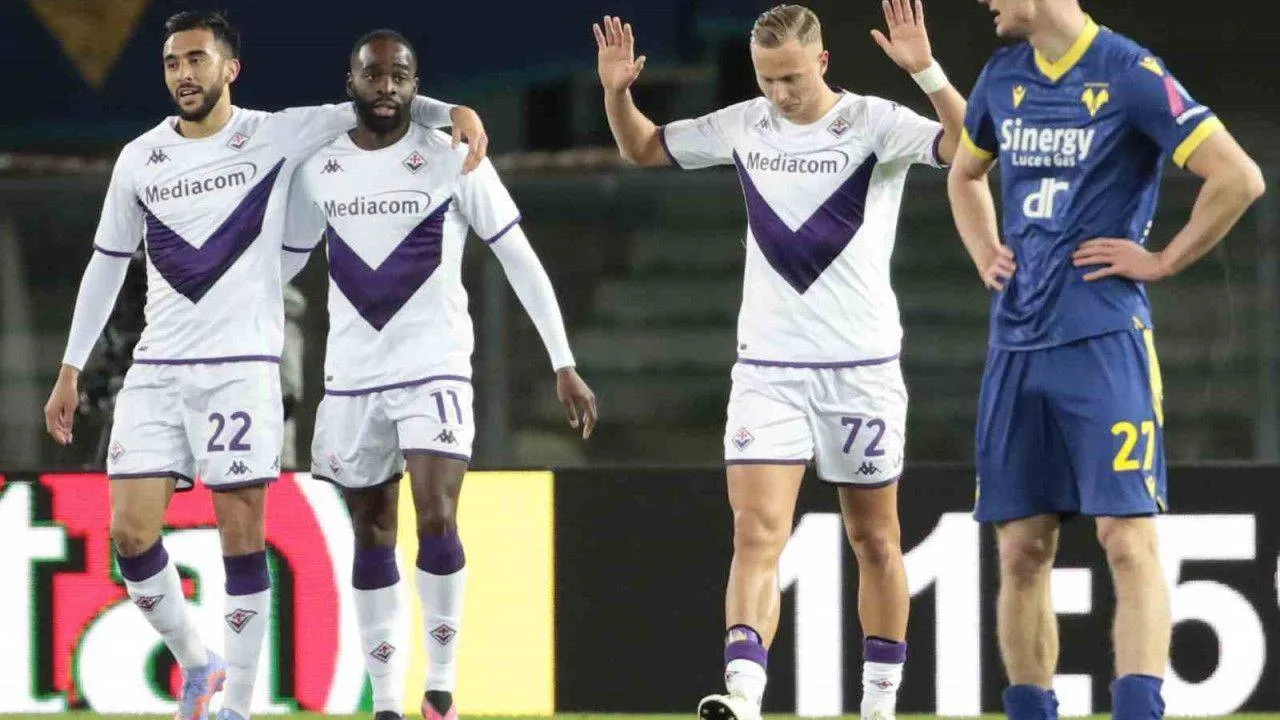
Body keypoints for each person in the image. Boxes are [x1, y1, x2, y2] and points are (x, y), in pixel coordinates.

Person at [41, 11, 489, 720]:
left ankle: (237, 708)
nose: (183, 74)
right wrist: (71, 367)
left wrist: (453, 112)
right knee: (129, 535)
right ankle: (200, 662)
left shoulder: (277, 134)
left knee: (240, 535)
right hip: (156, 369)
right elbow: (106, 264)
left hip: (240, 367)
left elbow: (377, 99)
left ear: (230, 69)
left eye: (196, 59)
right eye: (171, 63)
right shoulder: (139, 158)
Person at [593, 3, 965, 719]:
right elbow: (643, 148)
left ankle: (879, 703)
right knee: (756, 532)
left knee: (875, 538)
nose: (779, 93)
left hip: (860, 370)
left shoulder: (874, 123)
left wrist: (925, 71)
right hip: (768, 370)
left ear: (822, 62)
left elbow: (970, 145)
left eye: (791, 77)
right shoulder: (744, 124)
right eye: (767, 79)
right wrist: (616, 94)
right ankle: (742, 692)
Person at [946, 2, 1266, 719]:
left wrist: (1163, 260)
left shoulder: (1129, 72)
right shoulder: (1001, 76)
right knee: (1021, 550)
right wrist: (984, 249)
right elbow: (965, 176)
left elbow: (1239, 178)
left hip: (1104, 341)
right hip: (1015, 347)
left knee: (1127, 539)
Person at [282, 29, 597, 720]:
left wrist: (563, 360)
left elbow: (518, 255)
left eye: (399, 76)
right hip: (352, 379)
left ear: (416, 86)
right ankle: (386, 701)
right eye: (374, 75)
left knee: (438, 515)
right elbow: (283, 263)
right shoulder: (317, 168)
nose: (386, 87)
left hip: (435, 369)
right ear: (351, 82)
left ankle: (442, 687)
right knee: (371, 530)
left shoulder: (456, 155)